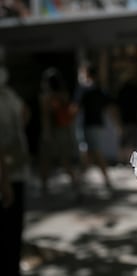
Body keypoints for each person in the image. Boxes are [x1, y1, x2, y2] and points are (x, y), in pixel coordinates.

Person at [0, 64, 30, 276]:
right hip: (11, 173)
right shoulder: (9, 95)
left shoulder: (7, 96)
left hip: (10, 173)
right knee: (11, 229)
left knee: (10, 229)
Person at [38, 67, 79, 195]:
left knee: (45, 160)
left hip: (52, 131)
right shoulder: (64, 95)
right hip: (64, 131)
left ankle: (44, 188)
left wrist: (46, 134)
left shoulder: (47, 97)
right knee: (65, 161)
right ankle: (75, 185)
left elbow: (46, 116)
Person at [74, 61, 114, 190]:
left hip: (87, 125)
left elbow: (74, 108)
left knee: (92, 153)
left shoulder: (84, 90)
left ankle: (80, 180)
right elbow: (109, 107)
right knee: (91, 153)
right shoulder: (100, 89)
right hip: (97, 124)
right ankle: (81, 180)